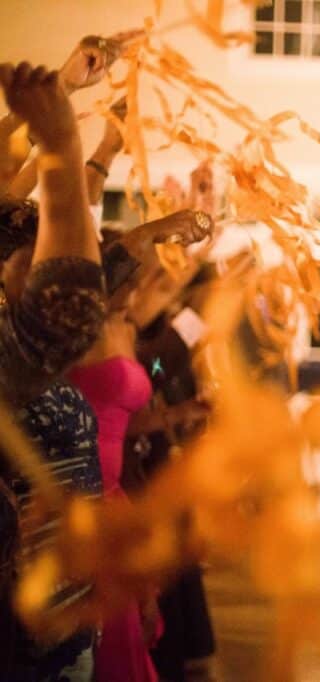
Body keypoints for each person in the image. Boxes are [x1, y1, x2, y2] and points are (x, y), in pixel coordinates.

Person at [0, 60, 109, 678]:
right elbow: (65, 311)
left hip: (65, 594)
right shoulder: (20, 343)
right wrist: (61, 142)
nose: (32, 258)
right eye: (23, 250)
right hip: (26, 616)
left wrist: (56, 97)